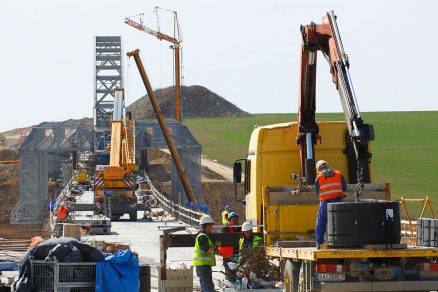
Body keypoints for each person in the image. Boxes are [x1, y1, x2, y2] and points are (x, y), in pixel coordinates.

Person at [315, 160, 347, 249]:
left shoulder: (319, 177)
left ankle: (319, 243)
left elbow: (317, 192)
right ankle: (340, 242)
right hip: (337, 201)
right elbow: (344, 188)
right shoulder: (338, 174)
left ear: (319, 169)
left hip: (325, 202)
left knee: (321, 222)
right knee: (338, 222)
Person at [193, 215, 222, 292]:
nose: (212, 227)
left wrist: (227, 256)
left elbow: (214, 251)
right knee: (208, 289)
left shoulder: (206, 236)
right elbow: (207, 251)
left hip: (204, 266)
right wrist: (216, 245)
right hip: (203, 266)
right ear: (207, 226)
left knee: (207, 288)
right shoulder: (203, 237)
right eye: (211, 225)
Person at [219, 212, 241, 279]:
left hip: (238, 255)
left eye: (236, 219)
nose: (236, 221)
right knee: (229, 274)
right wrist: (225, 227)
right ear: (229, 221)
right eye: (233, 220)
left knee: (238, 273)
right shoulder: (226, 228)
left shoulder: (240, 228)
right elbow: (224, 233)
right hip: (228, 256)